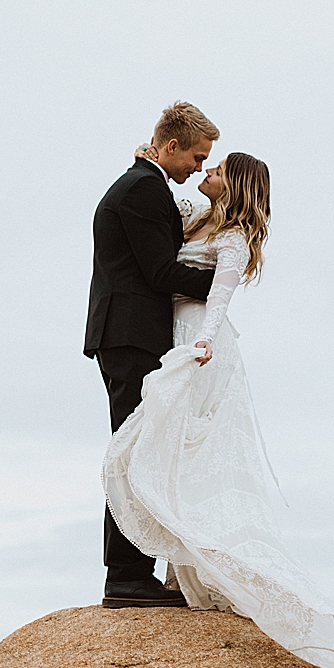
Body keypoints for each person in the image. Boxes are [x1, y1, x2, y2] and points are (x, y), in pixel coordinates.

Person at [101, 146, 334, 668]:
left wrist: (202, 342)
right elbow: (164, 204)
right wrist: (147, 156)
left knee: (179, 451)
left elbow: (219, 294)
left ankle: (179, 568)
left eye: (217, 168)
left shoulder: (233, 237)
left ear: (234, 183)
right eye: (204, 161)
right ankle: (172, 567)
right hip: (170, 336)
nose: (207, 171)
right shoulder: (197, 217)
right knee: (169, 452)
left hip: (198, 345)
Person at [84, 101, 220, 609]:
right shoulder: (143, 187)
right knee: (135, 452)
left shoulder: (144, 182)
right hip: (130, 334)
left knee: (141, 449)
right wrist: (222, 282)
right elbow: (161, 272)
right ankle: (125, 576)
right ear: (170, 147)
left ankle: (133, 571)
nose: (199, 167)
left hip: (128, 333)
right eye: (196, 157)